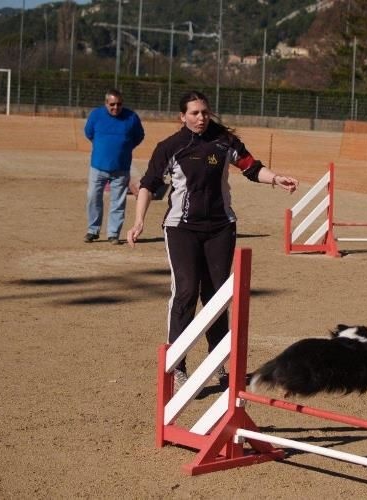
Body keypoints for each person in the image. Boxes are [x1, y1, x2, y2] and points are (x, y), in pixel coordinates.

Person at [126, 90, 299, 389]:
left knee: (217, 296)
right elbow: (148, 184)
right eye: (194, 113)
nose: (201, 117)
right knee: (186, 291)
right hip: (182, 228)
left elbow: (250, 167)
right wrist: (139, 221)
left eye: (205, 112)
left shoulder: (223, 140)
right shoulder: (171, 147)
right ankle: (177, 365)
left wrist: (276, 178)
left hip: (221, 227)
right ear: (182, 116)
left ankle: (217, 363)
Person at [84, 89, 145, 245]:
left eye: (119, 104)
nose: (116, 107)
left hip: (121, 168)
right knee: (93, 198)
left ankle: (113, 233)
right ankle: (93, 230)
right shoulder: (96, 115)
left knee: (118, 202)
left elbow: (139, 136)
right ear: (106, 103)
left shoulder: (131, 118)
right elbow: (89, 133)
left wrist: (124, 147)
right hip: (98, 167)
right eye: (112, 104)